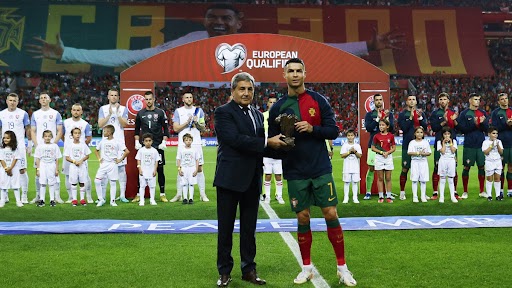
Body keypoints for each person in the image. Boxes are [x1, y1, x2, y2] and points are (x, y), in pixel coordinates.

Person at [26, 4, 404, 68]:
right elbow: (131, 57)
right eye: (212, 18)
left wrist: (366, 46)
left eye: (224, 18)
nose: (217, 24)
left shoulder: (260, 43)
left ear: (239, 20)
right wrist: (68, 52)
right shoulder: (190, 40)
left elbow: (314, 50)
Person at [267, 58, 357, 286]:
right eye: (291, 71)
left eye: (299, 71)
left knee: (330, 214)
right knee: (303, 217)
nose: (295, 74)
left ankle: (342, 267)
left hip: (319, 168)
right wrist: (278, 145)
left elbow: (333, 131)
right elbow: (274, 146)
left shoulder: (318, 101)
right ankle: (306, 268)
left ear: (305, 74)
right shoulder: (277, 108)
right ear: (284, 74)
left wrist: (312, 128)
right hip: (295, 171)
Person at [214, 72, 286, 287]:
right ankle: (225, 272)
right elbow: (233, 139)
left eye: (250, 89)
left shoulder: (256, 114)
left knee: (249, 230)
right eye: (242, 89)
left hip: (252, 179)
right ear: (233, 91)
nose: (246, 93)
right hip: (229, 179)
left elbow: (259, 146)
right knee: (225, 229)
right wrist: (267, 142)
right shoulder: (223, 112)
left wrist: (286, 148)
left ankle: (249, 269)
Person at [170, 92, 208, 203]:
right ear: (183, 99)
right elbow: (176, 128)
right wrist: (187, 123)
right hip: (182, 143)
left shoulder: (198, 111)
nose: (189, 99)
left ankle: (202, 194)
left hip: (196, 143)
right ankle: (179, 194)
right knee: (181, 169)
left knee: (200, 168)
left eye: (191, 97)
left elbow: (203, 128)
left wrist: (196, 123)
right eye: (187, 97)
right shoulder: (178, 111)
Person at [134, 91, 170, 203]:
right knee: (141, 169)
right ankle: (139, 194)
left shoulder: (160, 112)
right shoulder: (140, 113)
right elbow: (136, 129)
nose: (148, 101)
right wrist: (136, 142)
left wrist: (164, 142)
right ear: (144, 100)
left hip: (157, 145)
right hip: (144, 146)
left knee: (160, 169)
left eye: (150, 99)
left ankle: (162, 194)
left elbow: (166, 129)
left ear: (154, 99)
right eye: (146, 99)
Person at [30, 92, 64, 204]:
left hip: (52, 147)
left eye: (45, 97)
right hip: (40, 147)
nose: (43, 99)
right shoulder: (35, 114)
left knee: (54, 171)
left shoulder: (55, 114)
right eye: (41, 98)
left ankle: (56, 196)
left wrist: (53, 144)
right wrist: (37, 145)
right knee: (38, 172)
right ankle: (38, 196)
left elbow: (60, 130)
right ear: (39, 101)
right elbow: (33, 131)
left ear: (50, 100)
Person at [98, 88, 129, 203]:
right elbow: (100, 125)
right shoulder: (103, 109)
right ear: (108, 96)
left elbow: (125, 124)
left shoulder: (123, 109)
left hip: (119, 141)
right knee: (105, 170)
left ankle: (122, 195)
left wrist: (117, 115)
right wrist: (109, 115)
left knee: (121, 169)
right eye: (111, 95)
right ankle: (103, 197)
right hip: (106, 144)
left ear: (118, 97)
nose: (114, 97)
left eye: (116, 95)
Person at [456, 93, 489, 199]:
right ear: (470, 101)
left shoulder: (483, 113)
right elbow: (461, 130)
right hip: (469, 144)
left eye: (479, 99)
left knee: (482, 167)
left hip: (481, 144)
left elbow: (487, 129)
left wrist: (482, 123)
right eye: (475, 99)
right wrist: (474, 124)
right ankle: (465, 191)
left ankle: (482, 191)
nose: (478, 101)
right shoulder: (464, 114)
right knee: (467, 167)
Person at [0, 93, 31, 204]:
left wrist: (30, 144)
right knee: (4, 170)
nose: (12, 102)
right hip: (5, 148)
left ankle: (24, 195)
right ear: (7, 101)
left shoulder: (23, 114)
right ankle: (5, 196)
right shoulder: (1, 114)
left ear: (17, 102)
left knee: (22, 170)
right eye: (10, 100)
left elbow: (28, 129)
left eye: (14, 100)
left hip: (19, 146)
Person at [397, 95, 428, 201]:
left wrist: (419, 118)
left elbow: (425, 126)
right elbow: (404, 128)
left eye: (413, 99)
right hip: (407, 145)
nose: (411, 101)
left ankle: (422, 194)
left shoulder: (420, 113)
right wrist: (410, 117)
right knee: (405, 168)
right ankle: (402, 192)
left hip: (420, 145)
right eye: (409, 99)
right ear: (406, 102)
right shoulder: (402, 114)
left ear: (416, 102)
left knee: (421, 169)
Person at [363, 93, 393, 200]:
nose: (379, 101)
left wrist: (387, 120)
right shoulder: (369, 115)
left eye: (380, 99)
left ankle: (387, 193)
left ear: (382, 101)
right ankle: (368, 192)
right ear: (374, 102)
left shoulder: (388, 114)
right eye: (377, 100)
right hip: (374, 144)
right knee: (371, 168)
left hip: (386, 146)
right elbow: (368, 128)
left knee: (387, 170)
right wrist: (377, 120)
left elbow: (392, 128)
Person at [429, 92, 459, 200]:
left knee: (454, 167)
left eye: (444, 99)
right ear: (438, 101)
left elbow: (458, 128)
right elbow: (434, 127)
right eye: (441, 99)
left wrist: (454, 119)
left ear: (448, 101)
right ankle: (435, 192)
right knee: (437, 166)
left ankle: (454, 192)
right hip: (439, 141)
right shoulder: (435, 113)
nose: (443, 101)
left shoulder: (452, 112)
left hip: (452, 142)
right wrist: (445, 121)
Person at [62, 103, 93, 204]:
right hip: (69, 154)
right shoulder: (65, 122)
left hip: (80, 155)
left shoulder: (85, 124)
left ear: (81, 112)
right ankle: (71, 197)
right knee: (68, 175)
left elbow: (88, 138)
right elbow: (62, 135)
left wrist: (81, 147)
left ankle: (88, 196)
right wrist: (69, 146)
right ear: (71, 111)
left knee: (85, 176)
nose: (76, 112)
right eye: (74, 110)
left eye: (78, 110)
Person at [94, 125, 130, 207]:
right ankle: (101, 199)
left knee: (112, 183)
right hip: (103, 164)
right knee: (97, 181)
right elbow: (96, 150)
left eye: (105, 131)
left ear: (109, 132)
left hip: (112, 164)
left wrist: (120, 159)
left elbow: (127, 151)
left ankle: (112, 201)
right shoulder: (103, 141)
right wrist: (99, 159)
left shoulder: (117, 142)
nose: (103, 133)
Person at [262, 96, 284, 204]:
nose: (272, 104)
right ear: (267, 104)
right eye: (270, 102)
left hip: (278, 149)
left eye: (274, 102)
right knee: (268, 174)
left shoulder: (281, 116)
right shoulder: (263, 116)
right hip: (266, 148)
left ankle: (279, 196)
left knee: (279, 175)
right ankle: (267, 196)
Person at [490, 92, 512, 198]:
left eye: (506, 98)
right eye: (502, 99)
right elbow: (494, 128)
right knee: (501, 168)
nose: (505, 100)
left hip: (511, 143)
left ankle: (510, 190)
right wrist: (506, 124)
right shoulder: (495, 113)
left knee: (511, 167)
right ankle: (501, 190)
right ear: (499, 101)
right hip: (501, 144)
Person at [63, 127, 91, 206]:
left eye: (79, 133)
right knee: (74, 182)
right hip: (73, 167)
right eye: (75, 133)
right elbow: (67, 157)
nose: (77, 135)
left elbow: (87, 155)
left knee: (82, 182)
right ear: (72, 135)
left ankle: (82, 199)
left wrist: (81, 160)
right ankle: (74, 199)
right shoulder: (69, 145)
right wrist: (74, 161)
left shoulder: (83, 145)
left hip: (82, 166)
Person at [34, 130, 62, 207]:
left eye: (49, 136)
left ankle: (52, 200)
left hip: (51, 165)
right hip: (43, 165)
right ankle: (42, 200)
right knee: (42, 183)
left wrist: (56, 169)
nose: (47, 138)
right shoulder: (40, 146)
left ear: (52, 137)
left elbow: (57, 159)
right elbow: (38, 159)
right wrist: (38, 169)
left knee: (51, 183)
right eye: (46, 136)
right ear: (43, 137)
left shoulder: (55, 146)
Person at [372, 119, 396, 204]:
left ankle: (388, 196)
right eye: (380, 125)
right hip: (379, 158)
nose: (381, 127)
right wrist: (381, 152)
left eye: (383, 125)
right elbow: (373, 147)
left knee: (388, 178)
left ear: (387, 126)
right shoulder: (376, 136)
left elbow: (393, 148)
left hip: (388, 157)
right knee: (380, 178)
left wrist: (387, 153)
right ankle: (381, 196)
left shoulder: (391, 136)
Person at [407, 126, 432, 203]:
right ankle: (415, 196)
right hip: (415, 162)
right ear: (415, 133)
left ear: (423, 134)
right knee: (414, 180)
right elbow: (409, 152)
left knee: (423, 180)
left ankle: (423, 196)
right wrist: (418, 153)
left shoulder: (425, 142)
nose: (419, 134)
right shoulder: (412, 142)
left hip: (423, 162)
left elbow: (429, 152)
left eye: (421, 132)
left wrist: (425, 153)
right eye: (417, 132)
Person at [135, 133, 160, 206]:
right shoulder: (141, 150)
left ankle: (152, 200)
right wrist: (139, 168)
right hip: (143, 171)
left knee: (152, 186)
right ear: (143, 142)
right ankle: (142, 200)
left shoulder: (154, 151)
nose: (148, 142)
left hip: (151, 172)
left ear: (152, 141)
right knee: (142, 186)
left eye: (149, 140)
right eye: (146, 141)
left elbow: (156, 161)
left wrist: (155, 170)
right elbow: (138, 160)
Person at [0, 131, 23, 208]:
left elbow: (15, 159)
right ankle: (2, 201)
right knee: (3, 186)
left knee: (16, 186)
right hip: (4, 170)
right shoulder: (2, 149)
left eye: (8, 138)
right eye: (4, 138)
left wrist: (11, 168)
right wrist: (6, 169)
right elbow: (1, 159)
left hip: (14, 169)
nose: (5, 140)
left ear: (12, 139)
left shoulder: (15, 149)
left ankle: (18, 201)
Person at [340, 129, 362, 204]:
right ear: (346, 137)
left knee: (355, 182)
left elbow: (360, 156)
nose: (350, 137)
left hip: (355, 167)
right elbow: (342, 155)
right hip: (347, 167)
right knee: (346, 182)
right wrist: (349, 152)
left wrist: (355, 151)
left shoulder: (357, 146)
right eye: (348, 136)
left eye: (351, 135)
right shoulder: (344, 145)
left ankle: (355, 198)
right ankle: (346, 197)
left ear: (354, 136)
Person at [482, 126, 504, 201]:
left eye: (496, 133)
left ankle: (498, 195)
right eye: (493, 133)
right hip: (489, 162)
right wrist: (491, 146)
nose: (495, 135)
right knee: (489, 179)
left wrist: (497, 145)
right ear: (489, 134)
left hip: (498, 161)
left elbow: (501, 152)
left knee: (497, 178)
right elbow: (485, 152)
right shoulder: (485, 142)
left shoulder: (499, 142)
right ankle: (489, 195)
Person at [437, 127, 458, 203]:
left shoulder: (454, 141)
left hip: (451, 160)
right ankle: (441, 197)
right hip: (443, 160)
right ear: (442, 135)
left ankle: (452, 196)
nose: (447, 136)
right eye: (445, 134)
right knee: (442, 179)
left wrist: (450, 142)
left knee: (451, 179)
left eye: (448, 134)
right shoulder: (439, 142)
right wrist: (444, 143)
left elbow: (453, 150)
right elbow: (442, 151)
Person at [176, 133, 199, 204]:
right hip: (184, 168)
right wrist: (179, 169)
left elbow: (197, 160)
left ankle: (191, 198)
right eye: (186, 140)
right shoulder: (181, 150)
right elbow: (178, 160)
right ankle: (185, 198)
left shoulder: (194, 150)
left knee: (191, 183)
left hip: (192, 168)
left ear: (192, 141)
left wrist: (196, 169)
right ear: (183, 141)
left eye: (189, 140)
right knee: (184, 183)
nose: (188, 141)